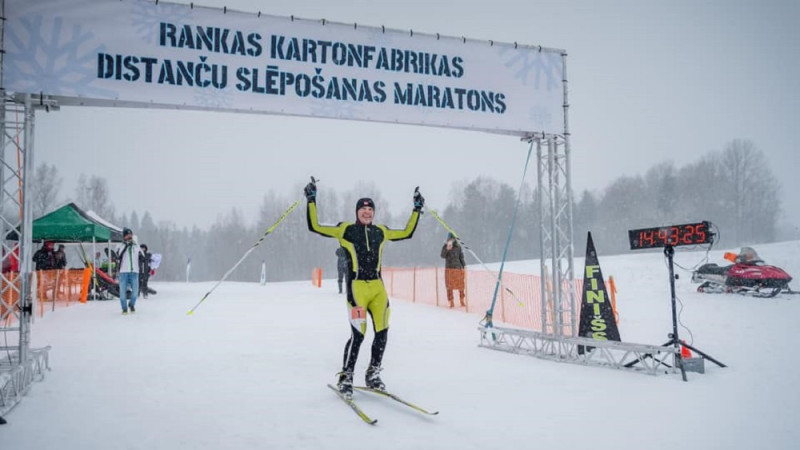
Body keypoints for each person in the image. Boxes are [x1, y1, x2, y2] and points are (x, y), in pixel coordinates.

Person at [305, 179, 424, 398]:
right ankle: (346, 377)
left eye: (370, 210)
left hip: (378, 290)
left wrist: (417, 209)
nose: (367, 213)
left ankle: (373, 374)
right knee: (358, 334)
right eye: (363, 209)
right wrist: (311, 200)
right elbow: (315, 226)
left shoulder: (382, 231)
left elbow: (407, 232)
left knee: (382, 332)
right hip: (357, 289)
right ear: (357, 212)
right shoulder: (345, 230)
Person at [116, 228, 142, 314]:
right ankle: (124, 308)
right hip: (123, 272)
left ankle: (131, 304)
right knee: (122, 292)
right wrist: (126, 246)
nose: (129, 236)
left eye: (130, 235)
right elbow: (118, 257)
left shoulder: (136, 246)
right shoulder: (120, 246)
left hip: (134, 272)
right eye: (127, 235)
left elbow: (142, 256)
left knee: (135, 292)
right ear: (124, 236)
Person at [440, 233, 467, 308]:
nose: (451, 240)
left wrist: (464, 266)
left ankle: (462, 300)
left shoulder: (458, 247)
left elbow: (461, 257)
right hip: (449, 269)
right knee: (449, 286)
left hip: (458, 268)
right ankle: (451, 301)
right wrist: (447, 249)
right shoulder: (445, 246)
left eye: (452, 239)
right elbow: (442, 255)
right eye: (450, 239)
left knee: (461, 285)